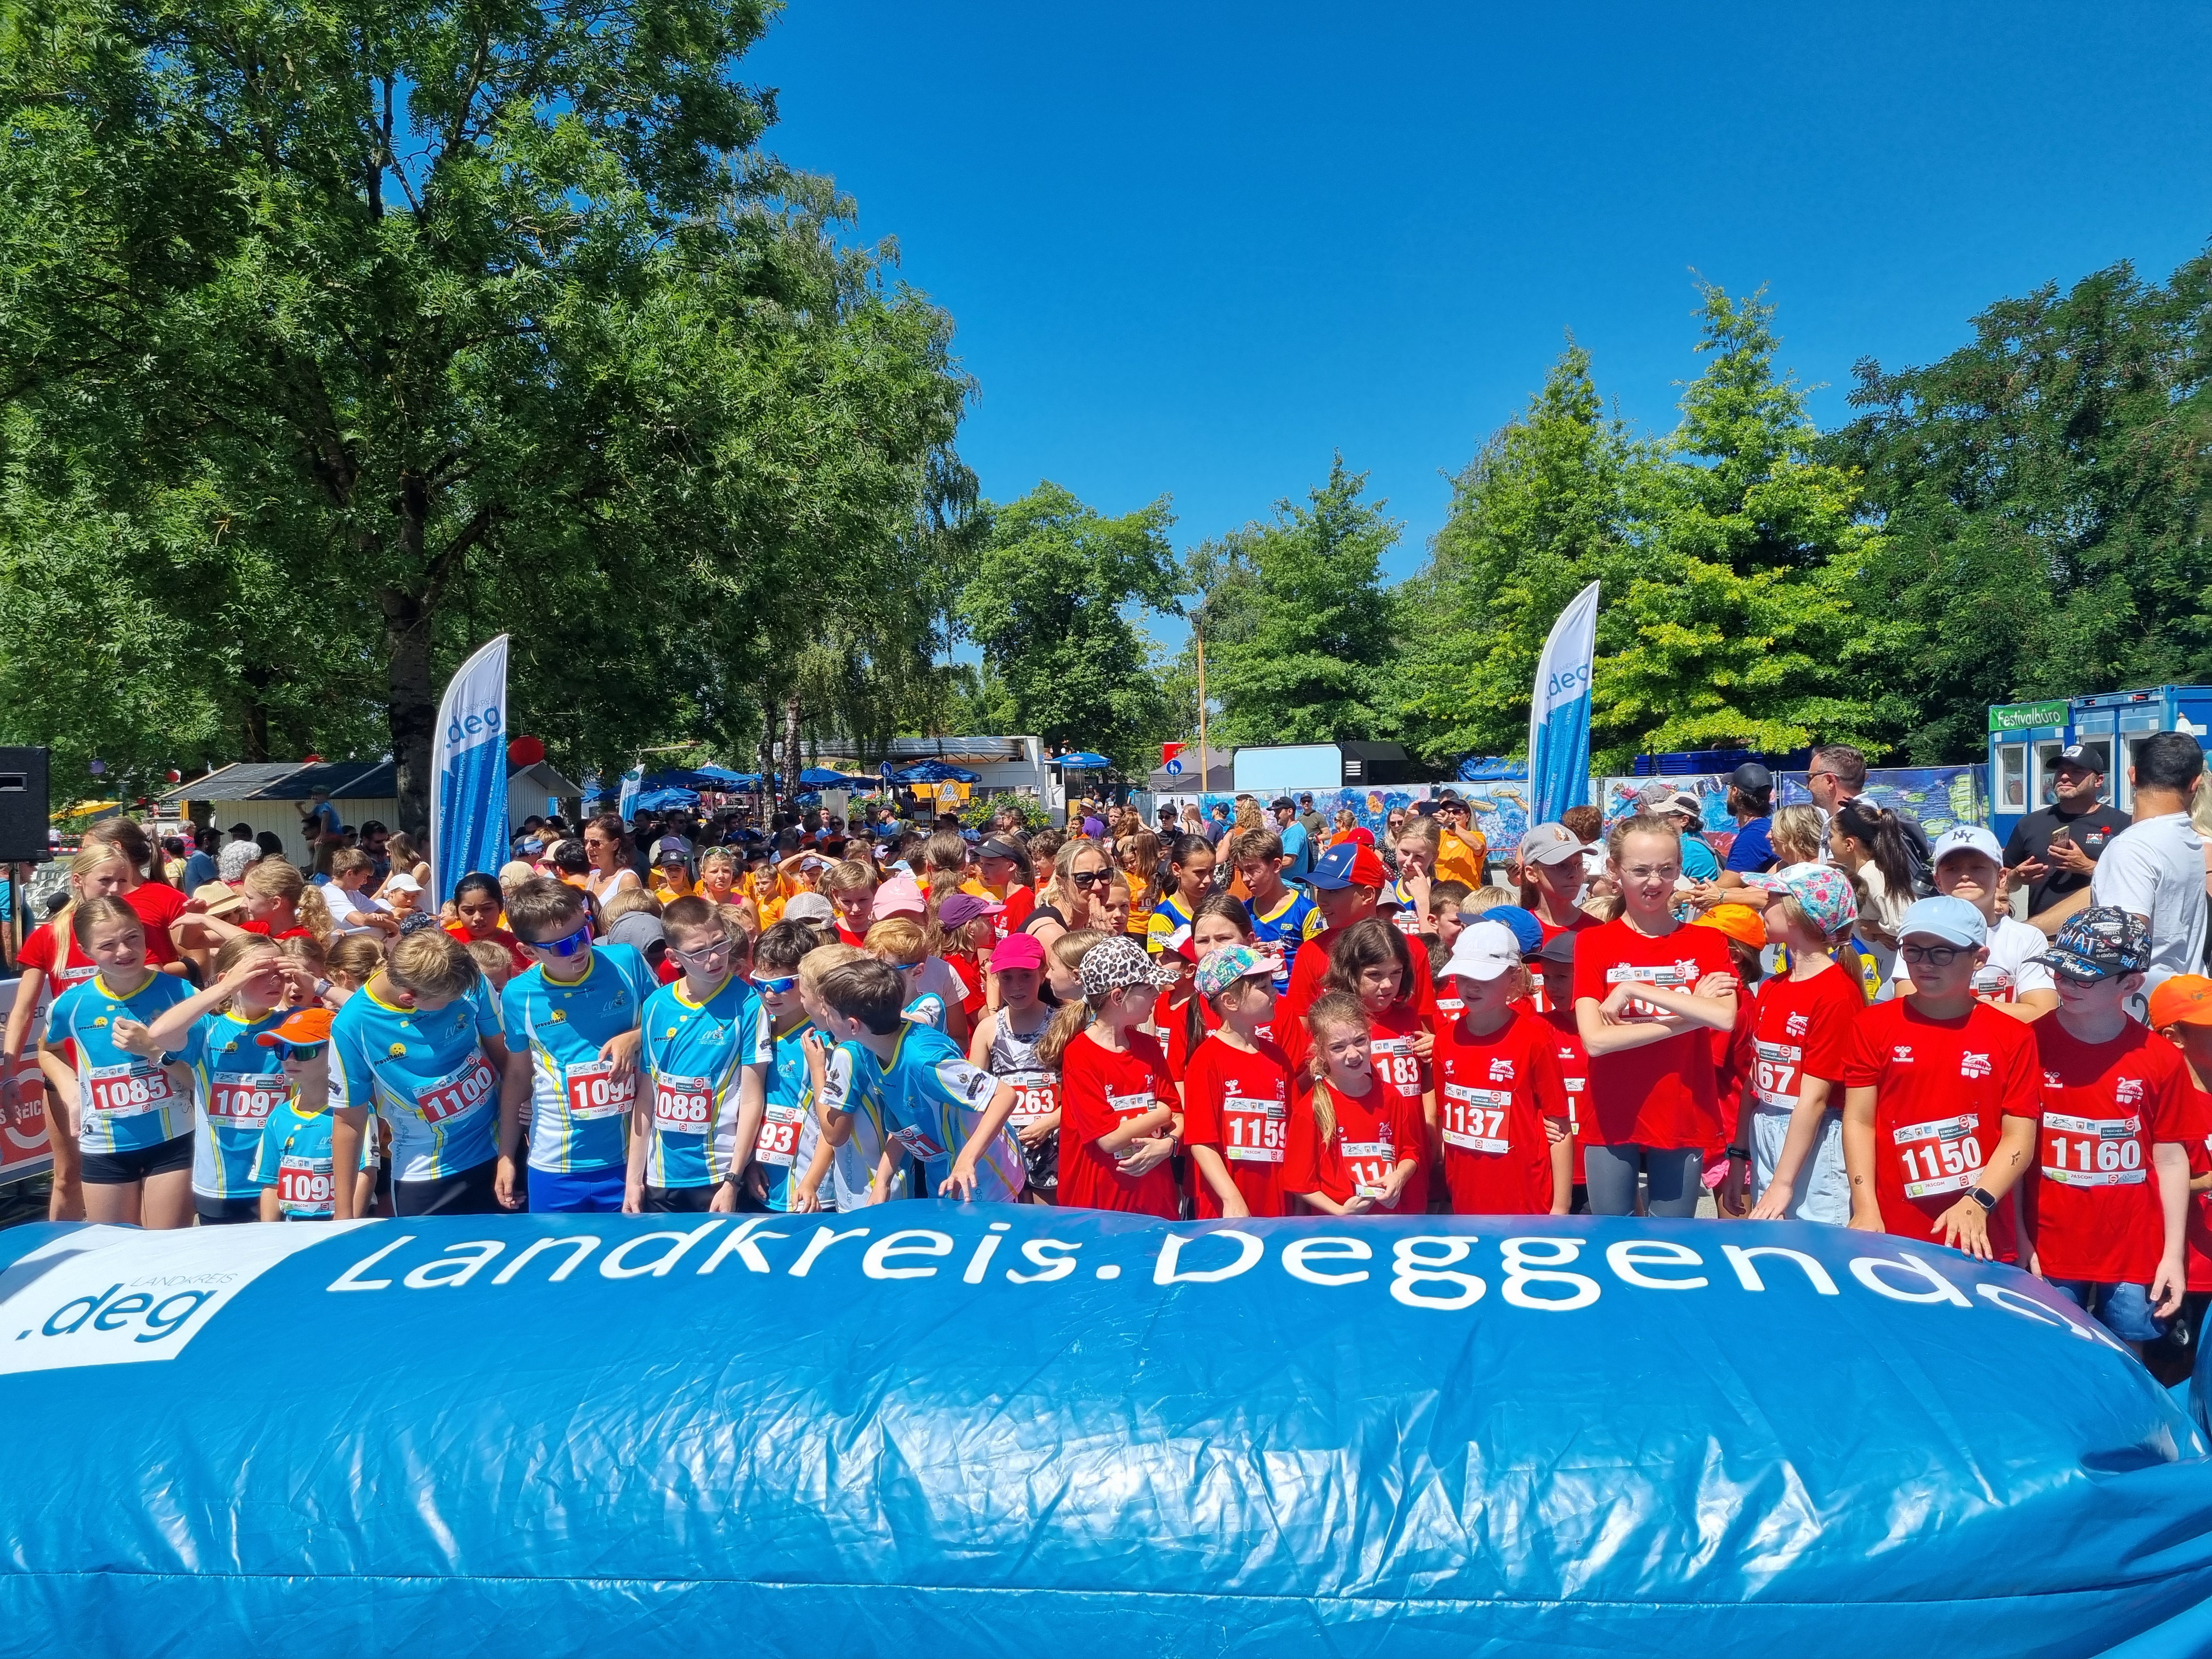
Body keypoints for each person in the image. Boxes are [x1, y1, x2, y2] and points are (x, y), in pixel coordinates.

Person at [2025, 907, 2193, 1351]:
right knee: (2053, 1355)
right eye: (2060, 971)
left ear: (2131, 984)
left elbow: (2171, 1158)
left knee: (2128, 1357)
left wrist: (2173, 1254)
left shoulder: (2161, 1058)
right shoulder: (2027, 1045)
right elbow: (2012, 1150)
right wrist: (2020, 1239)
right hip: (2047, 1246)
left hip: (2135, 1248)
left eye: (2083, 978)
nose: (2065, 984)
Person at [1839, 896, 2039, 1261]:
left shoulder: (2015, 1037)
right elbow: (1859, 1120)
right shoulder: (1870, 1026)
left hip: (1980, 1232)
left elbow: (2019, 1137)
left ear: (1979, 958)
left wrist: (1978, 1200)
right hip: (1891, 1228)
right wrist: (1865, 1206)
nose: (1925, 963)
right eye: (1913, 951)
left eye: (1942, 952)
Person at [1571, 813, 1740, 1217]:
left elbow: (1725, 1019)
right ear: (1614, 870)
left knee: (1672, 1241)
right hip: (1612, 1109)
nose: (1654, 882)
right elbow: (1596, 1040)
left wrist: (1635, 989)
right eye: (1640, 870)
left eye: (1666, 870)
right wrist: (1692, 1013)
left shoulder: (1708, 941)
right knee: (1610, 1236)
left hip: (1683, 1109)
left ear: (1679, 869)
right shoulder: (1593, 942)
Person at [495, 876, 654, 1214]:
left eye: (583, 933)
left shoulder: (627, 962)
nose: (580, 949)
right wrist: (506, 1156)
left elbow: (668, 1024)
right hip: (554, 1162)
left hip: (630, 1159)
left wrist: (635, 1036)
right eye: (562, 947)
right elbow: (518, 1077)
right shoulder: (518, 995)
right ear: (528, 951)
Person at [327, 929, 510, 1218]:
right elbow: (349, 1121)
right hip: (424, 1173)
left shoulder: (469, 980)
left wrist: (513, 1146)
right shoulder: (352, 1026)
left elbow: (507, 1064)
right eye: (448, 1001)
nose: (458, 1002)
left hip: (499, 1152)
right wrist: (343, 1214)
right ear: (409, 998)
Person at [37, 896, 196, 1228]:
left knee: (166, 1247)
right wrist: (71, 1093)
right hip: (104, 1146)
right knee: (116, 1248)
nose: (124, 951)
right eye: (108, 945)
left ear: (144, 934)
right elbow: (48, 1049)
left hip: (172, 1140)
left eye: (132, 938)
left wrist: (154, 1051)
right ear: (85, 951)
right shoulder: (71, 1004)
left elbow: (202, 1076)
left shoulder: (181, 993)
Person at [811, 957, 1025, 1202]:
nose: (823, 1015)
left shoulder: (925, 1061)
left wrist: (967, 1159)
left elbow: (1004, 1095)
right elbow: (905, 1126)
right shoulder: (868, 1050)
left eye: (829, 1012)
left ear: (853, 1026)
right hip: (944, 1176)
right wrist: (882, 1182)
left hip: (986, 1176)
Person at [123, 935, 302, 1226]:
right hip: (222, 1184)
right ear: (228, 978)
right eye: (259, 972)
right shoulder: (209, 1028)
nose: (274, 980)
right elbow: (160, 1034)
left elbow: (352, 1020)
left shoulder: (293, 1023)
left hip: (283, 1179)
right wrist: (225, 988)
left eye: (279, 972)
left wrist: (314, 985)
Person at [628, 895, 772, 1214]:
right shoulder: (655, 1005)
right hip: (662, 1175)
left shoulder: (749, 1004)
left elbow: (752, 1098)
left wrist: (734, 1179)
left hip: (719, 1174)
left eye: (720, 944)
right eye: (698, 952)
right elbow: (647, 1096)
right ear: (674, 957)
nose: (714, 958)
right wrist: (633, 1180)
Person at [1736, 864, 1865, 1223]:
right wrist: (1739, 1154)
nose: (1763, 907)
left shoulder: (1837, 994)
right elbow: (1755, 1079)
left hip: (1816, 1140)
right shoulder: (1772, 987)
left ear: (1796, 913)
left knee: (1819, 1242)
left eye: (1772, 899)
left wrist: (1782, 1183)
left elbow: (1815, 1099)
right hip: (1768, 1128)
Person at [1431, 919, 1571, 1216]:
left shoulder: (1535, 1040)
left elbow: (1559, 1128)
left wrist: (1561, 1207)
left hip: (1526, 1201)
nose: (1472, 986)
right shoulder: (1444, 1039)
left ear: (1513, 977)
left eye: (1484, 976)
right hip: (1465, 1200)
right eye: (1464, 976)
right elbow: (1446, 1121)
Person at [1039, 934, 1182, 1216]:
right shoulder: (1080, 1054)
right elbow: (1109, 1140)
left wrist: (1168, 1145)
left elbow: (1178, 1115)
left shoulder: (1149, 1047)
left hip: (1155, 1199)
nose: (1157, 994)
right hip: (1098, 1207)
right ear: (1118, 997)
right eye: (1148, 987)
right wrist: (1161, 1114)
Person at [2090, 731, 2209, 1023]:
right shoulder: (2192, 841)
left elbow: (2120, 941)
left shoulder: (2132, 848)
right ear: (2195, 783)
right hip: (2188, 1003)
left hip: (2140, 1011)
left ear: (2133, 775)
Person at [1892, 825, 2057, 1022]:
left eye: (1977, 867)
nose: (1965, 876)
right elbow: (1908, 1004)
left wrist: (1952, 1005)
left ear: (2001, 877)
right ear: (1938, 880)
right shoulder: (1919, 931)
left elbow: (2040, 1012)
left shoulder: (2027, 938)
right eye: (1952, 869)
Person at [1285, 990, 1423, 1216]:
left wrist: (1399, 1176)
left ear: (1370, 1036)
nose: (1353, 1054)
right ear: (1320, 1053)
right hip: (1335, 1227)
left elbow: (1410, 1152)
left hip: (1387, 1221)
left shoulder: (1391, 1096)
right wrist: (1339, 1211)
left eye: (1360, 1041)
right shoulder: (1311, 1107)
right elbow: (1299, 1182)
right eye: (1338, 1047)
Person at [1181, 944, 1291, 1219]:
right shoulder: (1206, 1060)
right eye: (1263, 987)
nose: (1274, 994)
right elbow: (1201, 1142)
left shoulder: (1278, 1057)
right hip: (1226, 1209)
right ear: (1230, 1002)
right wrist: (1232, 1199)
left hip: (1277, 1204)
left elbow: (1293, 1134)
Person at [251, 1008, 374, 1222]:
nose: (290, 1059)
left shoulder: (356, 1112)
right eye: (282, 1049)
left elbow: (366, 1173)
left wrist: (347, 1225)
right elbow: (271, 1182)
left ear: (335, 1052)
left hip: (338, 1223)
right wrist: (269, 1232)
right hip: (292, 1227)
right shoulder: (278, 1117)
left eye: (303, 1051)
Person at [746, 919, 834, 1216]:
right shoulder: (755, 1028)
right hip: (765, 1184)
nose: (770, 995)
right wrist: (750, 1162)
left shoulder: (823, 1040)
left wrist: (812, 1182)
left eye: (783, 984)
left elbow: (835, 1121)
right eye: (761, 985)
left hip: (813, 1192)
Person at [970, 932, 1061, 1204]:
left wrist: (1050, 1123)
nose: (1016, 987)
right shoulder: (988, 1029)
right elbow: (972, 1097)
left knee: (1048, 1223)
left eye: (1026, 976)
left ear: (1043, 974)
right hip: (1004, 1149)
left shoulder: (1062, 1025)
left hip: (1053, 1148)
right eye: (1007, 978)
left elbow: (1080, 1091)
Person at [2005, 744, 2129, 935]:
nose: (2064, 777)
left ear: (2098, 781)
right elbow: (2002, 881)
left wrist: (2087, 867)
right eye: (2060, 771)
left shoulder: (2121, 824)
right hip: (2044, 937)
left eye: (2077, 772)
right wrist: (2016, 877)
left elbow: (2131, 881)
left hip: (2100, 938)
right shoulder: (2029, 824)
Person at [1808, 743, 1932, 888]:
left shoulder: (1856, 821)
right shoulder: (1864, 814)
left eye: (1810, 778)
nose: (1808, 786)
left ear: (1830, 781)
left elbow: (1841, 881)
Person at [1232, 826, 1321, 993]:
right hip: (1253, 1002)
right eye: (1241, 871)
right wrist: (1246, 956)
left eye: (1252, 870)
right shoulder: (1242, 912)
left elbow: (1318, 968)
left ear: (1276, 866)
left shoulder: (1306, 912)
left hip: (1292, 1002)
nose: (1245, 879)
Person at [1513, 824, 1594, 941]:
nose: (1574, 874)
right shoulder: (1518, 932)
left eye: (1579, 864)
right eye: (1561, 865)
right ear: (1532, 874)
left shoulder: (1597, 931)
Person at [1143, 835, 1217, 955]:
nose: (1208, 880)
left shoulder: (1215, 909)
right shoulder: (1164, 916)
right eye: (1200, 872)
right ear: (1177, 870)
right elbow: (1163, 963)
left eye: (1211, 871)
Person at [446, 871, 531, 974]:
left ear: (501, 907)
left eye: (486, 909)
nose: (478, 918)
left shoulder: (521, 947)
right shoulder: (446, 944)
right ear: (457, 911)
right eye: (469, 911)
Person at [1716, 762, 1778, 886]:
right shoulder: (1765, 827)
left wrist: (1680, 895)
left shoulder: (1753, 837)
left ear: (1735, 792)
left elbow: (1721, 888)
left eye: (1729, 787)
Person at [972, 838, 1038, 941]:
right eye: (982, 864)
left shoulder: (1024, 900)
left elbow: (1025, 944)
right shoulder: (1007, 898)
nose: (983, 870)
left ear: (1011, 866)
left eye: (990, 864)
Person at [321, 848, 399, 937]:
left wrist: (372, 918)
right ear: (350, 874)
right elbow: (360, 920)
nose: (365, 882)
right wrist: (390, 925)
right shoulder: (331, 893)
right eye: (364, 876)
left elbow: (389, 915)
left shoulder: (354, 893)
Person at [582, 812, 642, 907]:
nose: (588, 848)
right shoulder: (591, 879)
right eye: (586, 842)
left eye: (595, 843)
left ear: (615, 845)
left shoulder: (627, 880)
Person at [1431, 793, 1487, 889]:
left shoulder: (1477, 836)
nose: (1451, 816)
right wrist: (1410, 816)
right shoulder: (1440, 835)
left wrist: (1451, 825)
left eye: (1456, 812)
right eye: (1447, 812)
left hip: (1467, 894)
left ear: (1467, 817)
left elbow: (1478, 847)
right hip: (1441, 893)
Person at [1272, 798, 1313, 884]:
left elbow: (1288, 861)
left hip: (1290, 886)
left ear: (1290, 812)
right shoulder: (1291, 830)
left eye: (1278, 812)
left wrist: (1266, 866)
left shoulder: (1294, 832)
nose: (1275, 815)